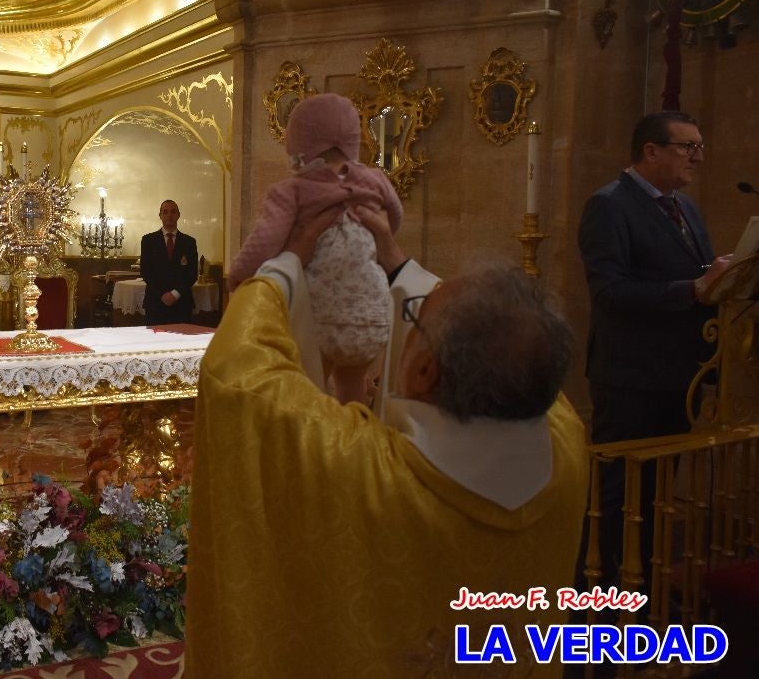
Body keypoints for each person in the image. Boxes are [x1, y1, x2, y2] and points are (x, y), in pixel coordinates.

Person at [186, 203, 588, 678]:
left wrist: (286, 263)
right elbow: (510, 337)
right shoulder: (567, 445)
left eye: (415, 317)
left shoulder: (355, 466)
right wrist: (397, 264)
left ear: (424, 370)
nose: (412, 316)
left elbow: (240, 374)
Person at [577, 110, 732, 590]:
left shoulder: (685, 207)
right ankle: (595, 609)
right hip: (630, 378)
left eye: (699, 146)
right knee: (618, 500)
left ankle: (641, 597)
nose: (698, 157)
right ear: (651, 151)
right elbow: (609, 292)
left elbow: (700, 277)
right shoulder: (609, 205)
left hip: (677, 376)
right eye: (688, 146)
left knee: (656, 500)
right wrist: (692, 290)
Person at [229, 92, 402, 402]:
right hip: (372, 314)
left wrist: (239, 273)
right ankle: (354, 438)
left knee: (310, 394)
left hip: (319, 315)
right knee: (352, 389)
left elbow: (265, 240)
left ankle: (319, 445)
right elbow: (394, 218)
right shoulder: (374, 179)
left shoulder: (292, 190)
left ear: (299, 142)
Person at [139, 200, 198, 325]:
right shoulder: (148, 240)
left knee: (181, 343)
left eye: (173, 212)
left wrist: (175, 294)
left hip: (181, 303)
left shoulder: (189, 242)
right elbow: (146, 271)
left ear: (178, 215)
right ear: (160, 216)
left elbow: (192, 273)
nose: (169, 215)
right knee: (155, 343)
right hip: (156, 302)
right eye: (165, 212)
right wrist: (163, 294)